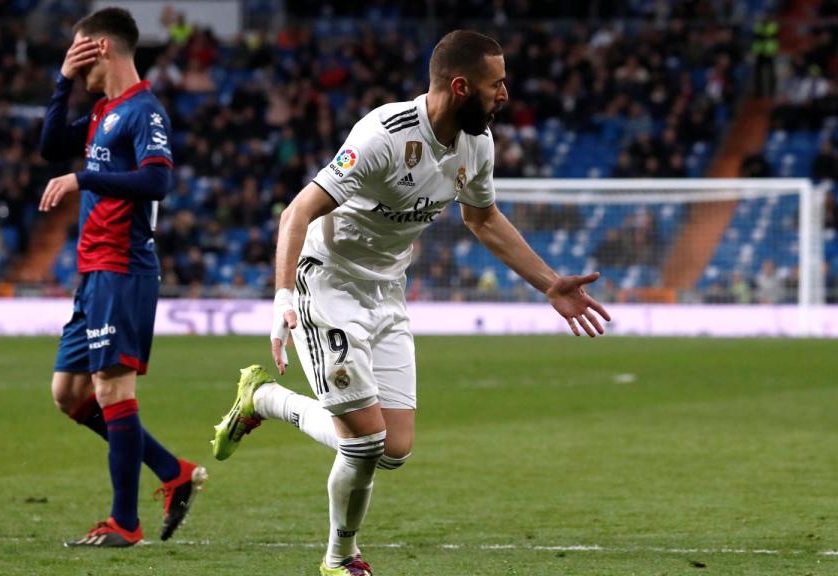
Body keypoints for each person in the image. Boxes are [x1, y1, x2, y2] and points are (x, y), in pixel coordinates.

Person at [211, 30, 611, 576]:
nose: (505, 95)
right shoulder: (383, 134)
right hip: (325, 285)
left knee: (392, 449)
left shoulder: (478, 144)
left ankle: (264, 399)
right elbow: (296, 213)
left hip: (386, 290)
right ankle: (340, 558)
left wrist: (548, 283)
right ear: (461, 85)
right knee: (366, 440)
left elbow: (483, 218)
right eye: (497, 85)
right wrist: (282, 296)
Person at [38, 7, 205, 548]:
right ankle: (172, 470)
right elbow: (47, 146)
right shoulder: (101, 112)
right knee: (68, 394)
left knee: (111, 389)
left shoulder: (144, 111)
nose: (72, 59)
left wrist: (83, 176)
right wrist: (62, 81)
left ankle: (124, 523)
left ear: (102, 47)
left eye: (77, 50)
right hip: (93, 272)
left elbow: (157, 181)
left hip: (123, 268)